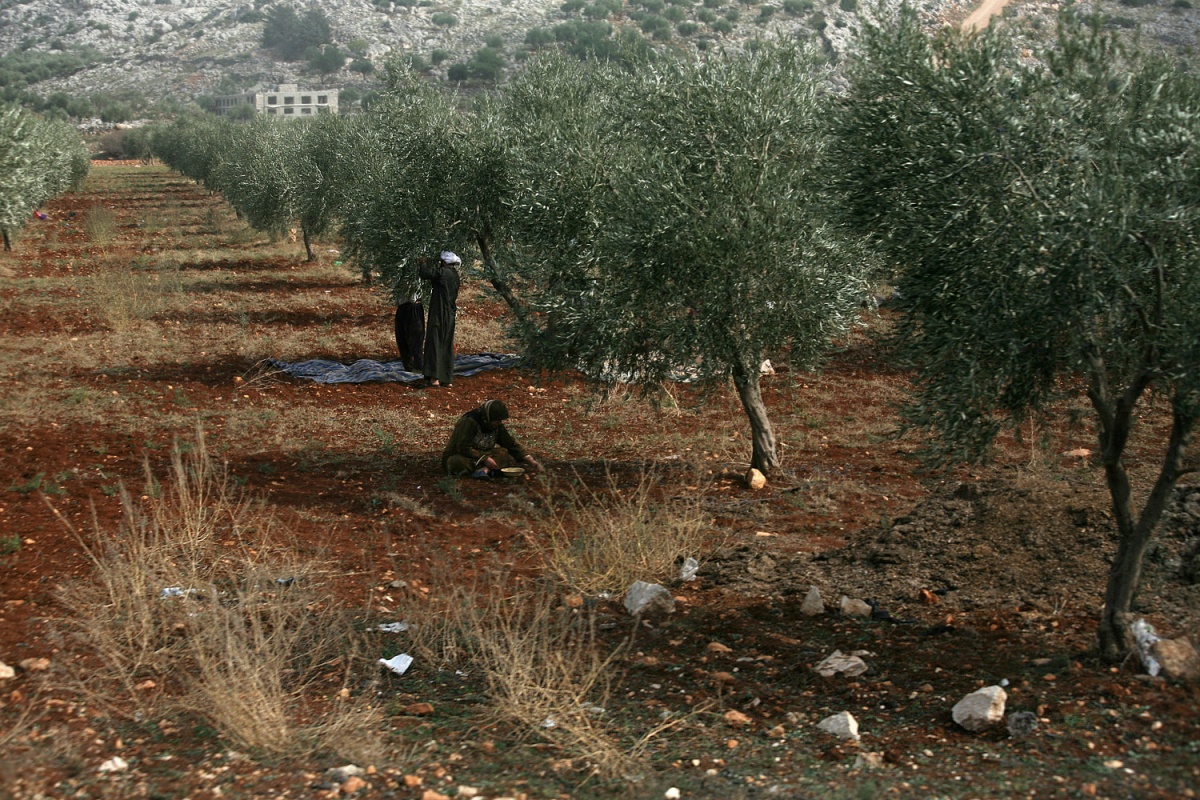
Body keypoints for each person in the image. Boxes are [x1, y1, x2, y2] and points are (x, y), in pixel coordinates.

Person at [442, 399, 542, 477]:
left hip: (483, 455)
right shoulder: (469, 422)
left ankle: (485, 470)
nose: (499, 423)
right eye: (497, 420)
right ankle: (485, 469)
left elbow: (510, 444)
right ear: (488, 418)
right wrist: (484, 459)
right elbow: (462, 447)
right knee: (455, 462)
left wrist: (530, 460)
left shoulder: (496, 426)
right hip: (464, 456)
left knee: (503, 453)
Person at [419, 251, 461, 388]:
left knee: (435, 341)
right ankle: (447, 379)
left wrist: (423, 261)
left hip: (439, 313)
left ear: (443, 262)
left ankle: (434, 379)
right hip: (450, 313)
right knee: (446, 343)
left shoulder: (443, 273)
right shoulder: (454, 274)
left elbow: (425, 273)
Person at [394, 287, 424, 373]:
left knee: (415, 341)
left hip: (413, 306)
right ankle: (408, 368)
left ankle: (418, 369)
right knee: (401, 340)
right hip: (401, 307)